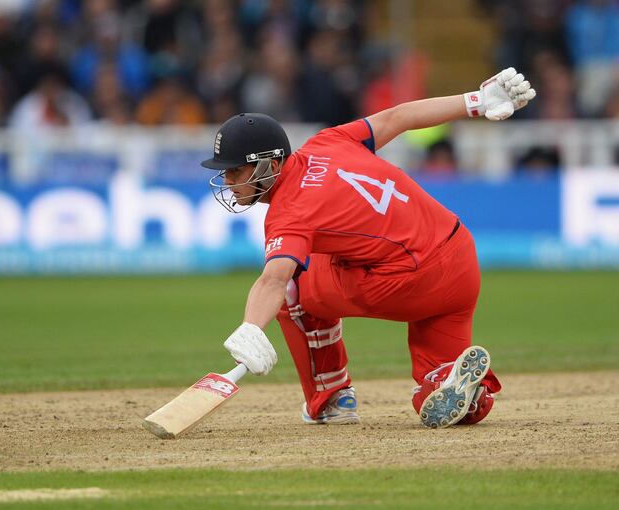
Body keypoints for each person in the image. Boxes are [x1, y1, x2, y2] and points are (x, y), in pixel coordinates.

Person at [200, 68, 536, 428]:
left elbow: (275, 281)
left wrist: (252, 327)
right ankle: (465, 389)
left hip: (410, 278)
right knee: (433, 391)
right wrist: (476, 101)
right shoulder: (328, 141)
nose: (228, 181)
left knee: (295, 287)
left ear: (272, 162)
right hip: (460, 260)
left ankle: (330, 399)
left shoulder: (290, 212)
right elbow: (400, 116)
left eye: (236, 171)